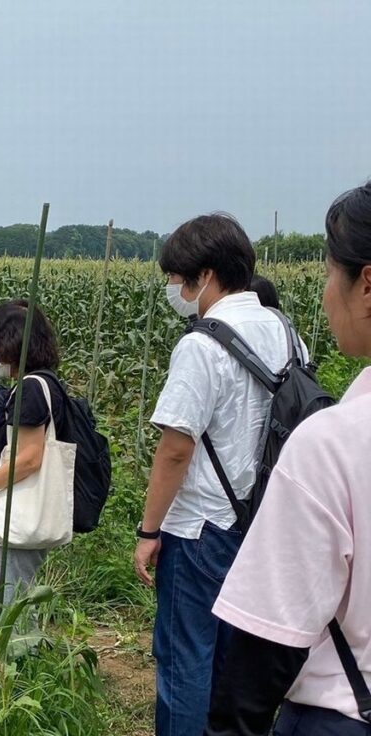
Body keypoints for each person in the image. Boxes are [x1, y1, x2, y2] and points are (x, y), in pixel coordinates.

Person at [205, 183, 371, 735]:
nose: (325, 294)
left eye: (328, 273)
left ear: (366, 283)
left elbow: (264, 651)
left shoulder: (334, 443)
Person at [132, 214, 302, 736]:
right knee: (231, 658)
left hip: (199, 527)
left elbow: (175, 451)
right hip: (259, 521)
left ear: (204, 275)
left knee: (185, 661)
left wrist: (148, 531)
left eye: (177, 279)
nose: (175, 290)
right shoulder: (286, 333)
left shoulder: (202, 345)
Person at [0, 299, 67, 618]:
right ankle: (20, 663)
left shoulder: (31, 389)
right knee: (16, 603)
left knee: (8, 611)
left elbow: (30, 458)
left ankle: (14, 665)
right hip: (28, 514)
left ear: (11, 343)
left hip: (22, 517)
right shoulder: (45, 382)